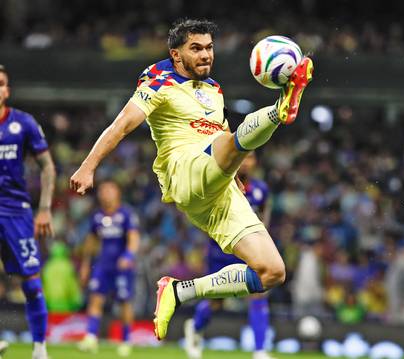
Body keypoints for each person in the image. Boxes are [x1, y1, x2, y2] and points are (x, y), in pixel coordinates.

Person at [70, 18, 313, 340]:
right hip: (183, 169)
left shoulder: (213, 89)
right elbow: (121, 125)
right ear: (176, 54)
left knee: (271, 272)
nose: (205, 55)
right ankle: (280, 109)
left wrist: (232, 169)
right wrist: (88, 167)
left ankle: (179, 291)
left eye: (209, 48)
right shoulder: (157, 82)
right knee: (230, 141)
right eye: (195, 48)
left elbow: (222, 134)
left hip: (218, 184)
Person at [184, 152, 275, 359]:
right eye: (243, 157)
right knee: (217, 301)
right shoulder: (220, 184)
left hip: (248, 251)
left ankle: (260, 350)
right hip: (221, 251)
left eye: (251, 158)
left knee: (259, 292)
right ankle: (196, 327)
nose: (246, 162)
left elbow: (264, 219)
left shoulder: (261, 190)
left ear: (255, 162)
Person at [0, 64, 56, 359]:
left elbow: (47, 166)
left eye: (0, 83)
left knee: (31, 283)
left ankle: (39, 349)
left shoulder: (23, 123)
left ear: (7, 90)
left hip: (15, 212)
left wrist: (44, 209)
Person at [77, 181, 140, 357]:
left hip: (122, 266)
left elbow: (134, 237)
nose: (105, 194)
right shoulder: (97, 216)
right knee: (95, 299)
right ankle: (90, 337)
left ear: (118, 193)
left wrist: (128, 256)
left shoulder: (126, 214)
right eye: (103, 191)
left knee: (124, 302)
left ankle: (126, 341)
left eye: (109, 190)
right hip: (103, 265)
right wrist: (85, 264)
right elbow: (91, 241)